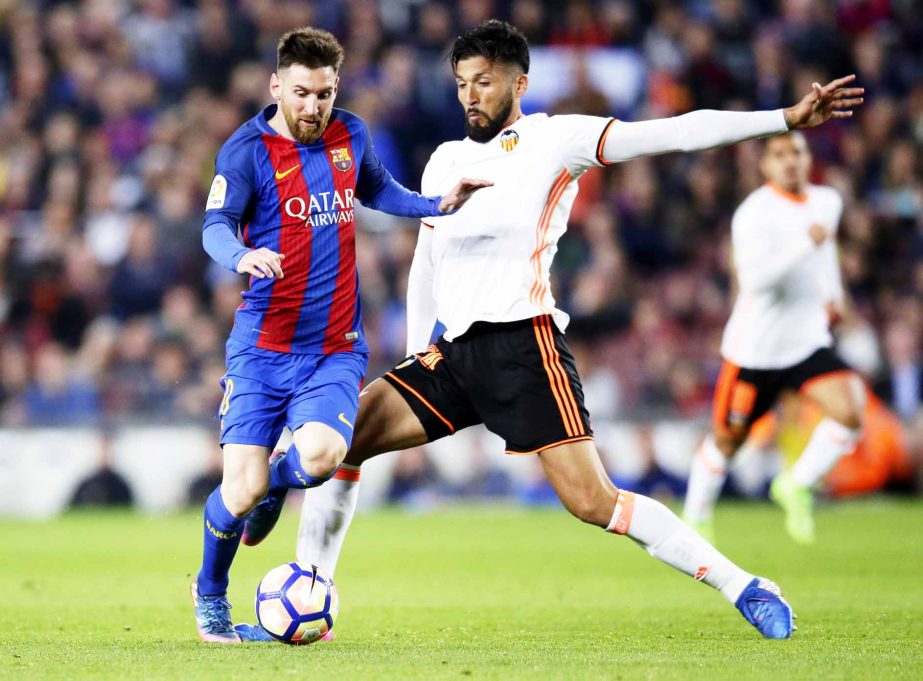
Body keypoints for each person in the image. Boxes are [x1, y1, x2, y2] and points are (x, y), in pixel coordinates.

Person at [242, 20, 863, 641]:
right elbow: (426, 261)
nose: (470, 96)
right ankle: (313, 583)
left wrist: (782, 118)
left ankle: (746, 586)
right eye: (462, 83)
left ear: (520, 82)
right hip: (451, 356)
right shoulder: (445, 161)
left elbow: (673, 134)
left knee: (596, 502)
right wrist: (414, 355)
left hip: (524, 348)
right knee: (345, 440)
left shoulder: (556, 140)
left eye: (484, 82)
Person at [192, 26, 488, 643]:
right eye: (301, 93)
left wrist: (438, 203)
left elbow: (378, 189)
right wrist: (240, 257)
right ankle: (210, 593)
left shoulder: (350, 133)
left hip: (333, 346)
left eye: (324, 93)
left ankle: (277, 484)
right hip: (262, 348)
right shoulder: (244, 152)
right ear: (276, 85)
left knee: (325, 457)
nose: (313, 107)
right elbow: (215, 225)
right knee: (238, 491)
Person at [682, 132, 866, 545]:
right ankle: (694, 520)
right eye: (780, 155)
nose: (790, 162)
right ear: (764, 166)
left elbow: (826, 257)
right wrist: (805, 242)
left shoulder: (828, 201)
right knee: (728, 442)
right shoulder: (754, 214)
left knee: (851, 410)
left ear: (808, 159)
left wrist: (835, 296)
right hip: (756, 350)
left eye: (797, 153)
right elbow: (754, 280)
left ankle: (796, 483)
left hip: (805, 341)